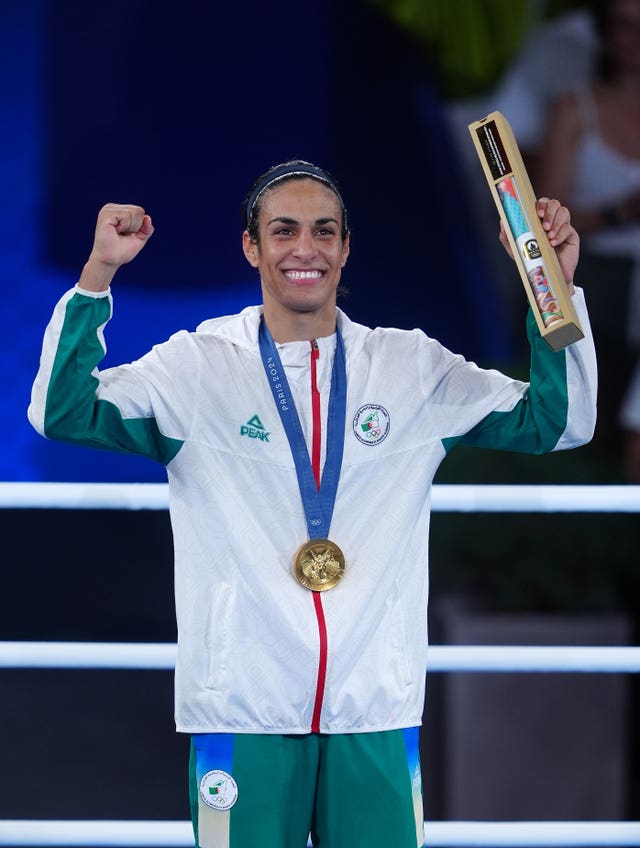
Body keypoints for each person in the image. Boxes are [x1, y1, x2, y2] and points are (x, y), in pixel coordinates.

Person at [28, 160, 597, 848]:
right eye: (284, 231)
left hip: (376, 711)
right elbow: (62, 412)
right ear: (251, 247)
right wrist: (98, 275)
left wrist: (551, 286)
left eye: (324, 231)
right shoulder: (195, 368)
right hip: (239, 713)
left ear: (346, 247)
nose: (306, 248)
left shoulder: (411, 368)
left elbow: (558, 422)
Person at [536, 0, 640, 464]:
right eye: (624, 26)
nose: (635, 38)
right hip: (592, 275)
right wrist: (621, 213)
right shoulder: (574, 108)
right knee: (592, 405)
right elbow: (544, 216)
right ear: (603, 35)